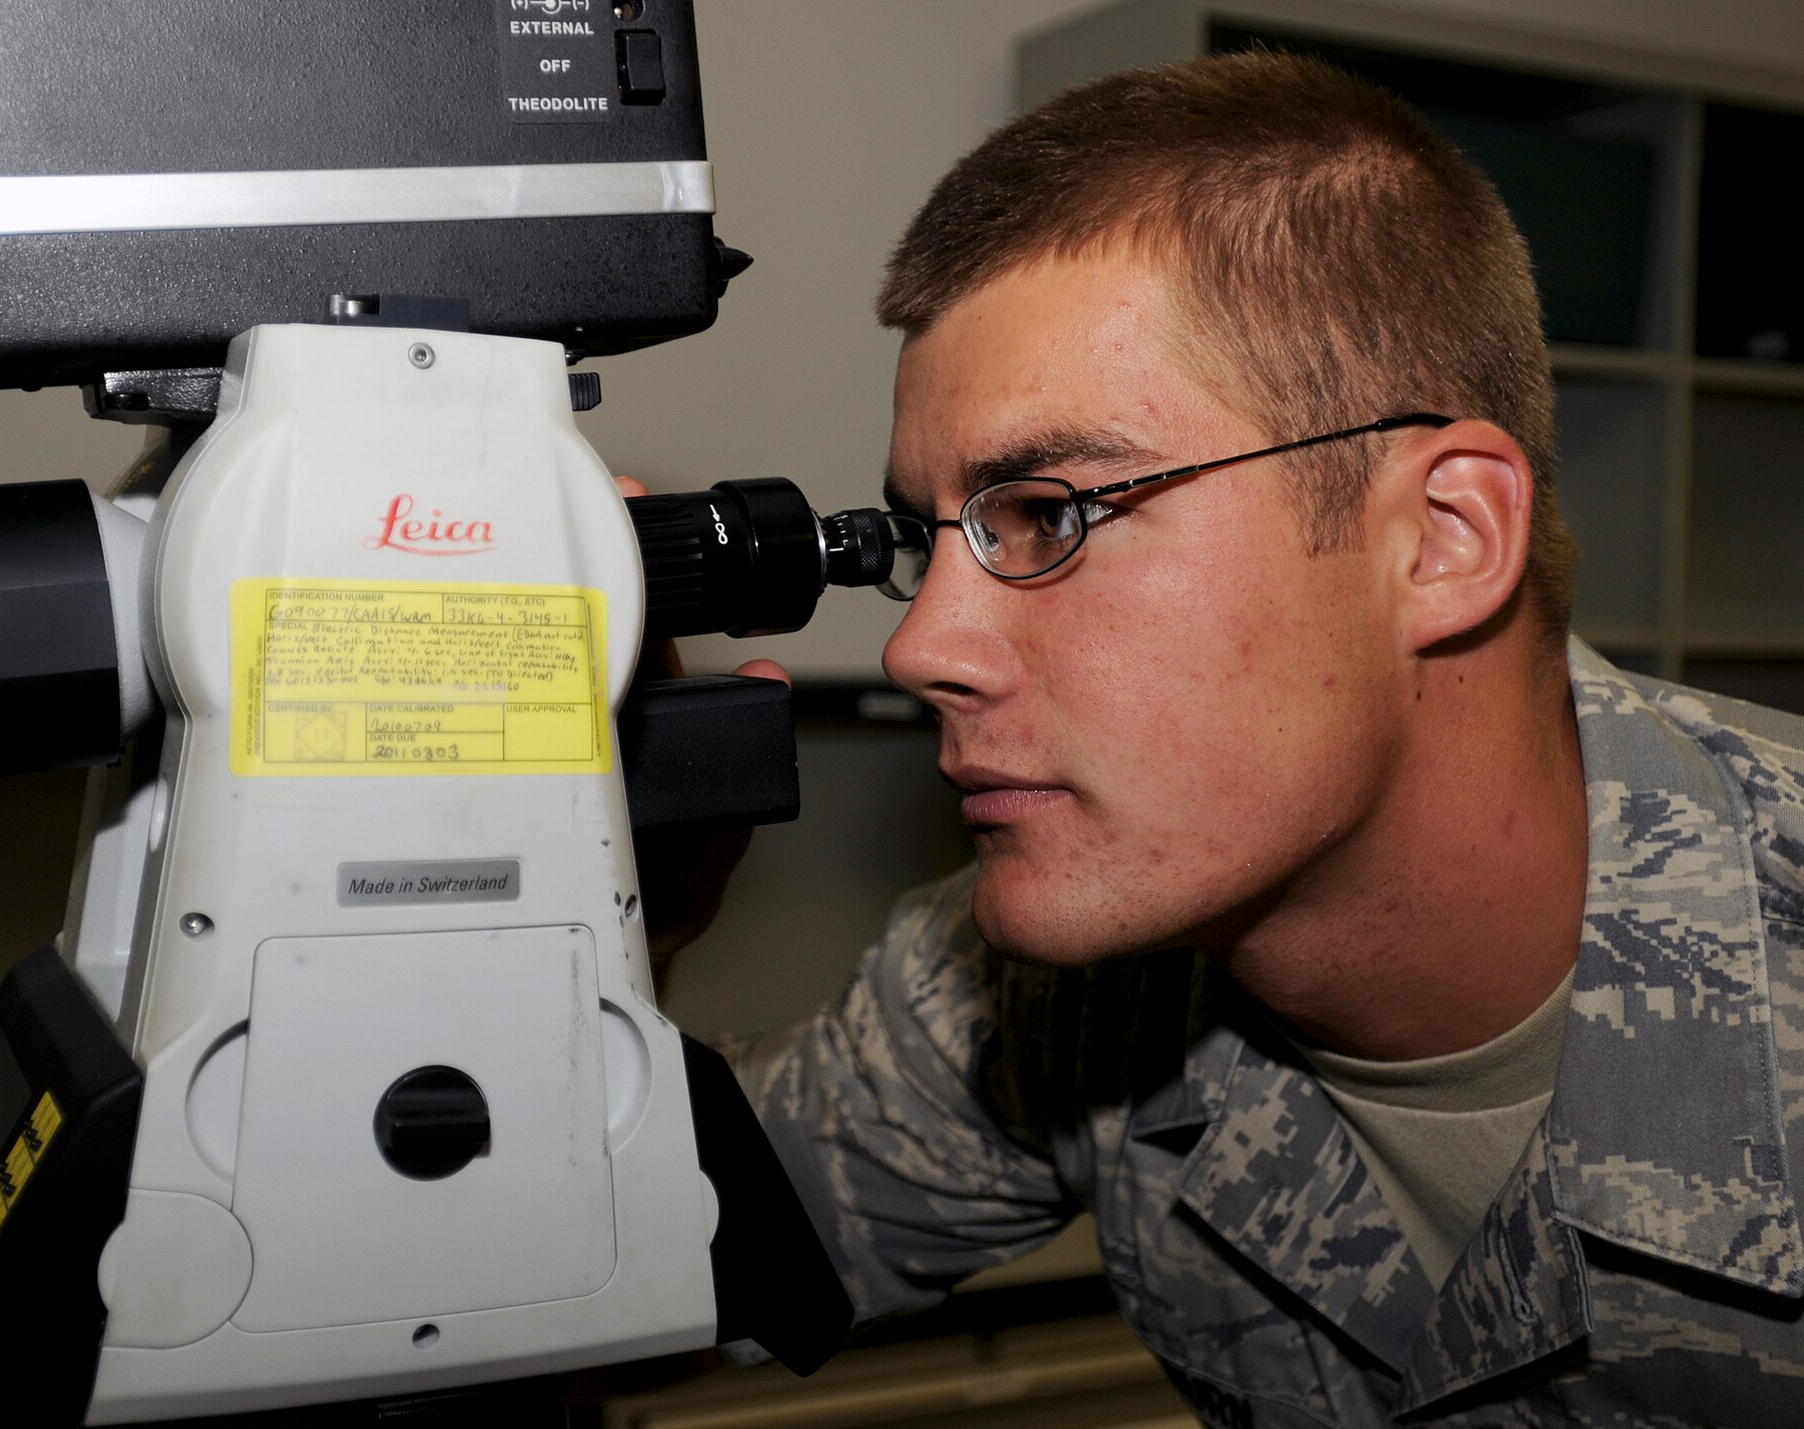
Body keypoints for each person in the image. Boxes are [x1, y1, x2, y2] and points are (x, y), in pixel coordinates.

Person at [685, 51, 1804, 1427]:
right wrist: (606, 921)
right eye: (935, 539)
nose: (922, 647)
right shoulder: (1044, 995)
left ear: (1443, 540)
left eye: (1049, 512)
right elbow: (661, 1261)